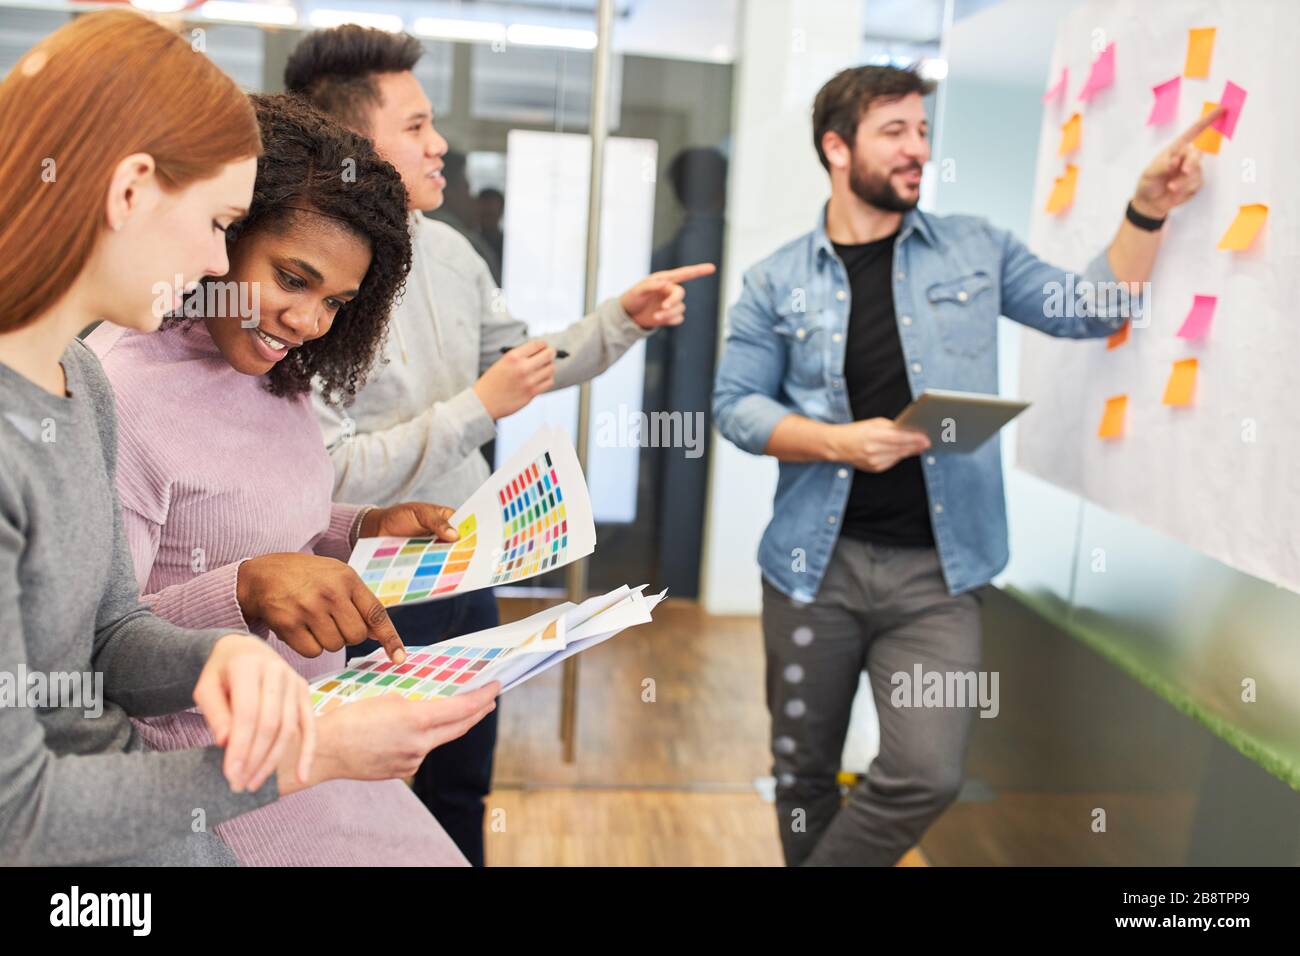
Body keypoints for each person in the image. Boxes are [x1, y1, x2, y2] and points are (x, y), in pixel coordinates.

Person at [712, 65, 1223, 866]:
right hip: (813, 571)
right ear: (837, 149)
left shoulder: (976, 249)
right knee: (803, 771)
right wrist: (838, 441)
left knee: (925, 772)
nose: (919, 149)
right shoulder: (775, 280)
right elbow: (735, 408)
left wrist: (1146, 208)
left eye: (922, 131)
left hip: (941, 578)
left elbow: (1089, 307)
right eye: (896, 133)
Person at [284, 23, 714, 865]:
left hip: (464, 565)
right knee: (346, 800)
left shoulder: (449, 252)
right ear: (350, 146)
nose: (440, 146)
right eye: (415, 128)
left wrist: (617, 320)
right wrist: (480, 409)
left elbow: (523, 363)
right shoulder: (310, 279)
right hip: (358, 585)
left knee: (461, 783)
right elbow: (329, 470)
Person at [86, 93, 498, 866]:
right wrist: (244, 590)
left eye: (337, 302)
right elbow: (104, 646)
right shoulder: (125, 392)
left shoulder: (278, 373)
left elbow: (259, 522)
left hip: (316, 737)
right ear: (226, 236)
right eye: (293, 278)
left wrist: (360, 528)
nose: (309, 322)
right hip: (211, 775)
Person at [0, 10, 316, 865]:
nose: (221, 263)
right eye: (219, 222)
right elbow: (18, 818)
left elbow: (106, 635)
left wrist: (218, 655)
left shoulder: (82, 382)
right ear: (130, 189)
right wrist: (303, 762)